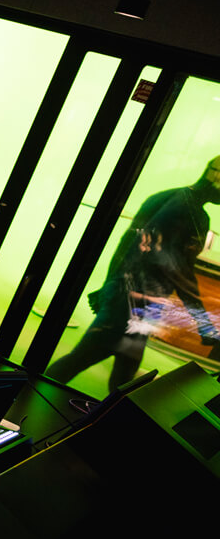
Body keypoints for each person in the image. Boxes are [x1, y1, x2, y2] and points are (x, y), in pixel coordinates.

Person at [47, 157, 220, 395]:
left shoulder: (165, 198)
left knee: (123, 377)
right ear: (216, 177)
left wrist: (110, 286)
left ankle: (108, 424)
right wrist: (204, 325)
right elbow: (179, 271)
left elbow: (127, 247)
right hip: (135, 305)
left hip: (132, 302)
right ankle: (16, 403)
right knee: (85, 363)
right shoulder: (192, 214)